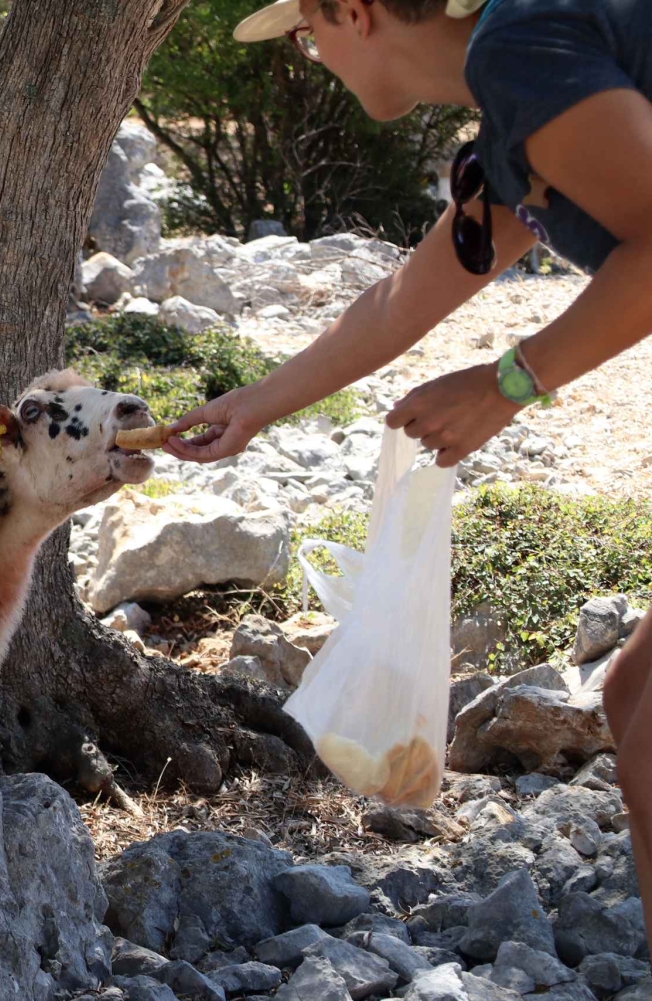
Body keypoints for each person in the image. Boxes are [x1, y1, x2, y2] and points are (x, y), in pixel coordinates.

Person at [166, 0, 652, 949]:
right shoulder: (514, 127)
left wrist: (512, 380)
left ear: (355, 10)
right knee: (632, 702)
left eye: (309, 36)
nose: (311, 60)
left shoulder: (524, 45)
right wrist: (252, 406)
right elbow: (397, 305)